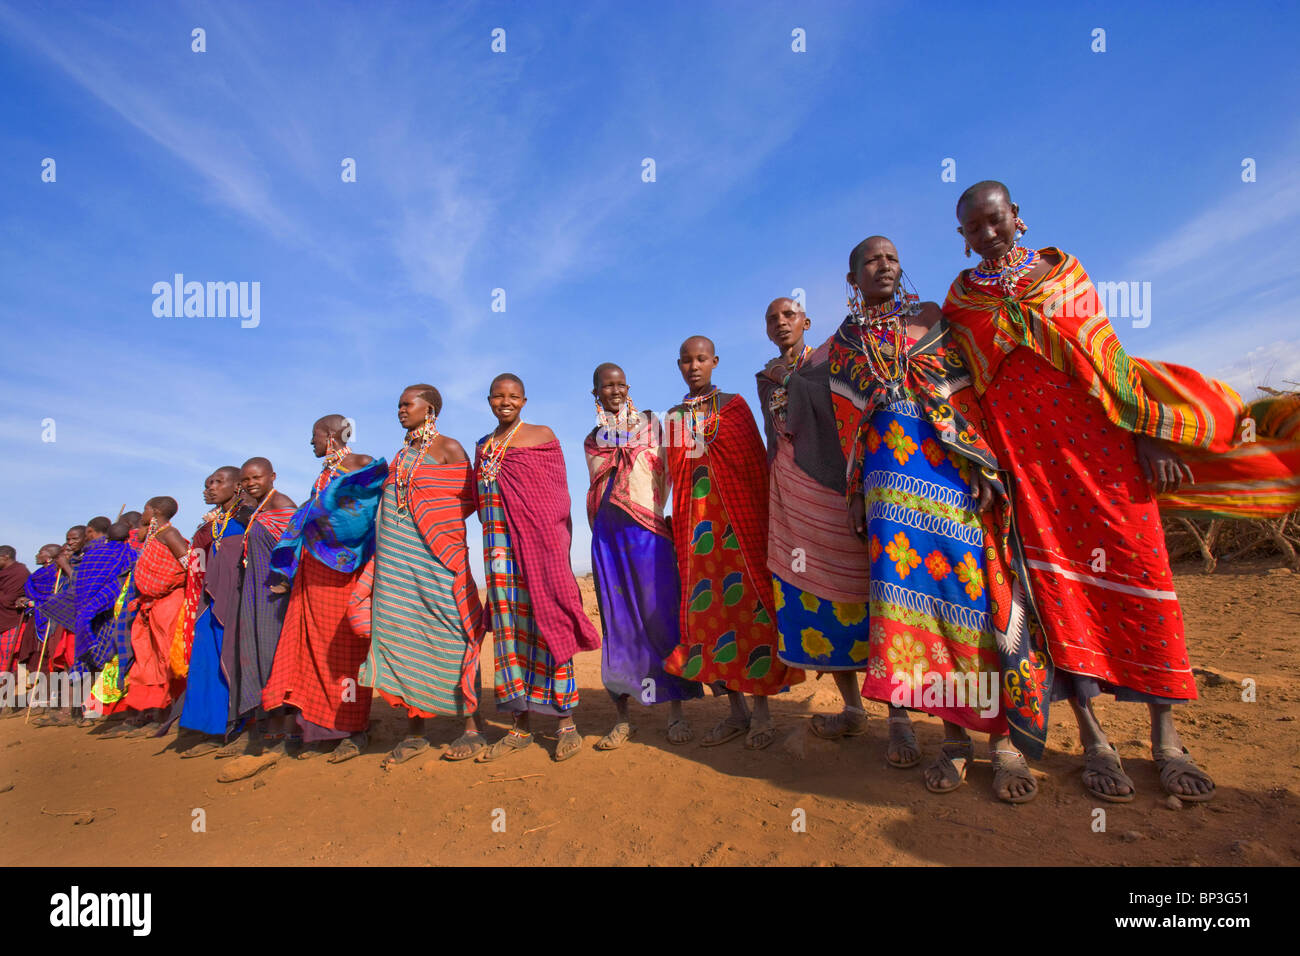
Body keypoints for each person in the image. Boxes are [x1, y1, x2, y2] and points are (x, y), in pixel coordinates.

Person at [940, 180, 1246, 802]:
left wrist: (1146, 435)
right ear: (962, 237)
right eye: (974, 228)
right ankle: (1094, 736)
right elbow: (965, 391)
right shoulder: (961, 300)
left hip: (1100, 453)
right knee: (1055, 595)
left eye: (995, 220)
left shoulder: (1064, 274)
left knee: (1143, 573)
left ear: (1017, 219)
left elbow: (1109, 360)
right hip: (1026, 469)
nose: (987, 233)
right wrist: (981, 467)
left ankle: (1167, 737)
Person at [833, 236, 1048, 802]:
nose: (885, 265)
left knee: (972, 603)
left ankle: (1001, 743)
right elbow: (844, 427)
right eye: (872, 260)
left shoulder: (931, 319)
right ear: (852, 277)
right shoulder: (847, 343)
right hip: (886, 498)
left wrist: (978, 461)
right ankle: (953, 741)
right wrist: (854, 493)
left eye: (893, 258)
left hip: (947, 480)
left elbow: (964, 397)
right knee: (916, 616)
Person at [755, 298, 896, 754]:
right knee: (812, 596)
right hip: (791, 498)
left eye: (789, 316)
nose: (781, 323)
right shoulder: (766, 377)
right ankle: (853, 709)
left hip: (835, 488)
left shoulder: (829, 361)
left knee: (869, 594)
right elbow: (773, 436)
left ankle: (900, 718)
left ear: (806, 322)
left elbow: (852, 419)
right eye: (773, 319)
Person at [661, 336, 802, 750]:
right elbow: (674, 476)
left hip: (741, 529)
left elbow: (755, 466)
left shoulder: (734, 406)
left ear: (715, 362)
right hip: (696, 536)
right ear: (679, 365)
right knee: (711, 619)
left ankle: (762, 711)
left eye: (701, 358)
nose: (694, 366)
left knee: (751, 611)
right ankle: (735, 712)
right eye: (686, 360)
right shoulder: (671, 418)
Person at [359, 385, 491, 766]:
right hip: (398, 564)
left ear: (428, 408)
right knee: (404, 631)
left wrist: (433, 527)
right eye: (398, 404)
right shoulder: (402, 455)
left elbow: (468, 498)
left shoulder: (449, 448)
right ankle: (415, 732)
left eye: (407, 404)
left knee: (457, 631)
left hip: (440, 558)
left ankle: (472, 727)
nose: (400, 410)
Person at [474, 373, 599, 762]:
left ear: (524, 401)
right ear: (489, 399)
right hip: (498, 552)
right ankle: (520, 724)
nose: (505, 402)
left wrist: (555, 549)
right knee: (509, 631)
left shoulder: (541, 436)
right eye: (498, 396)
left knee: (549, 623)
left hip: (541, 551)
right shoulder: (482, 447)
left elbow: (557, 500)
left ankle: (565, 722)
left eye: (513, 396)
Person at [585, 363, 702, 749]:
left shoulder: (655, 425)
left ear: (628, 387)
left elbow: (679, 468)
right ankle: (623, 718)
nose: (614, 390)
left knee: (660, 618)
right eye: (606, 386)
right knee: (618, 626)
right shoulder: (592, 438)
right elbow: (597, 490)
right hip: (608, 538)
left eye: (619, 384)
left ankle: (675, 712)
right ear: (596, 393)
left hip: (650, 534)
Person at [259, 415, 386, 764]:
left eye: (314, 435)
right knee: (310, 651)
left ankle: (352, 728)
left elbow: (363, 514)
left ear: (331, 435)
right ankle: (318, 727)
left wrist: (323, 516)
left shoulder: (361, 465)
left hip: (345, 574)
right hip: (313, 575)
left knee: (343, 651)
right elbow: (313, 514)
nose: (310, 442)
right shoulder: (324, 475)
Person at [214, 457, 296, 766]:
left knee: (276, 658)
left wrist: (286, 581)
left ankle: (287, 729)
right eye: (246, 479)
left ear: (272, 476)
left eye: (257, 477)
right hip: (254, 593)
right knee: (255, 657)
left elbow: (295, 543)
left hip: (275, 596)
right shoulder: (258, 509)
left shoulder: (282, 503)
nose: (251, 483)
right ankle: (266, 726)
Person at [177, 467, 246, 757]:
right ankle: (210, 726)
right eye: (207, 484)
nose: (210, 488)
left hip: (238, 600)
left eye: (218, 483)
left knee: (232, 660)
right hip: (210, 600)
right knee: (206, 660)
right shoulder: (214, 523)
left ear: (238, 485)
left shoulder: (249, 516)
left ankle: (237, 727)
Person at [112, 497, 190, 736]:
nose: (143, 513)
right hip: (150, 605)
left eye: (145, 508)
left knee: (168, 656)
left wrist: (172, 585)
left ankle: (171, 712)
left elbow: (191, 564)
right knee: (148, 658)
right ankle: (149, 710)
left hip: (169, 603)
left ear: (154, 511)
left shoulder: (170, 535)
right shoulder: (153, 537)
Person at [0, 546, 31, 717]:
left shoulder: (19, 573)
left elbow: (8, 600)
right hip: (2, 622)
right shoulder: (4, 573)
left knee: (7, 664)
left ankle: (7, 703)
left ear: (5, 557)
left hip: (12, 623)